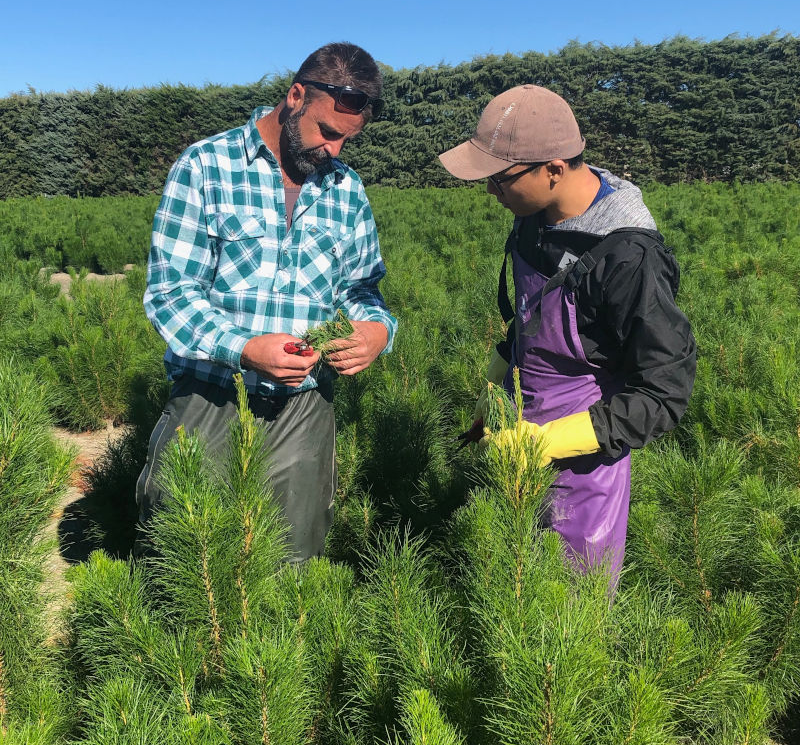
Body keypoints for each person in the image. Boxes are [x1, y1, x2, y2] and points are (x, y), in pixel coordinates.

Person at [136, 42, 397, 562]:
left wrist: (376, 331)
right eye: (327, 132)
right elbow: (171, 293)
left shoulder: (347, 191)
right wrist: (244, 349)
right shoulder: (206, 166)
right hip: (210, 395)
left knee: (292, 562)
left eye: (347, 140)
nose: (335, 152)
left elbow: (362, 291)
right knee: (186, 559)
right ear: (296, 96)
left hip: (304, 408)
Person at [439, 84, 696, 582]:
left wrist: (548, 442)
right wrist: (493, 388)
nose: (491, 192)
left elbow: (665, 394)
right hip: (517, 432)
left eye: (499, 179)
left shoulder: (628, 259)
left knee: (567, 620)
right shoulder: (535, 215)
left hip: (583, 466)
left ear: (554, 169)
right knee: (506, 592)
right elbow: (532, 318)